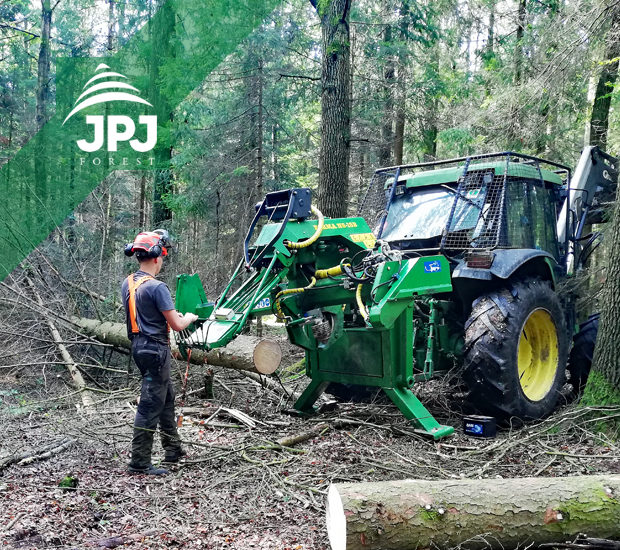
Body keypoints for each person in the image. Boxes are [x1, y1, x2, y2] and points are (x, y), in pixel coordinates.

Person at [121, 229, 199, 475]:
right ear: (157, 257)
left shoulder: (129, 282)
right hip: (156, 349)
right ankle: (139, 462)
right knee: (150, 405)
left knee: (166, 399)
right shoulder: (156, 287)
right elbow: (176, 324)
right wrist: (189, 317)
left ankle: (173, 448)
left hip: (139, 347)